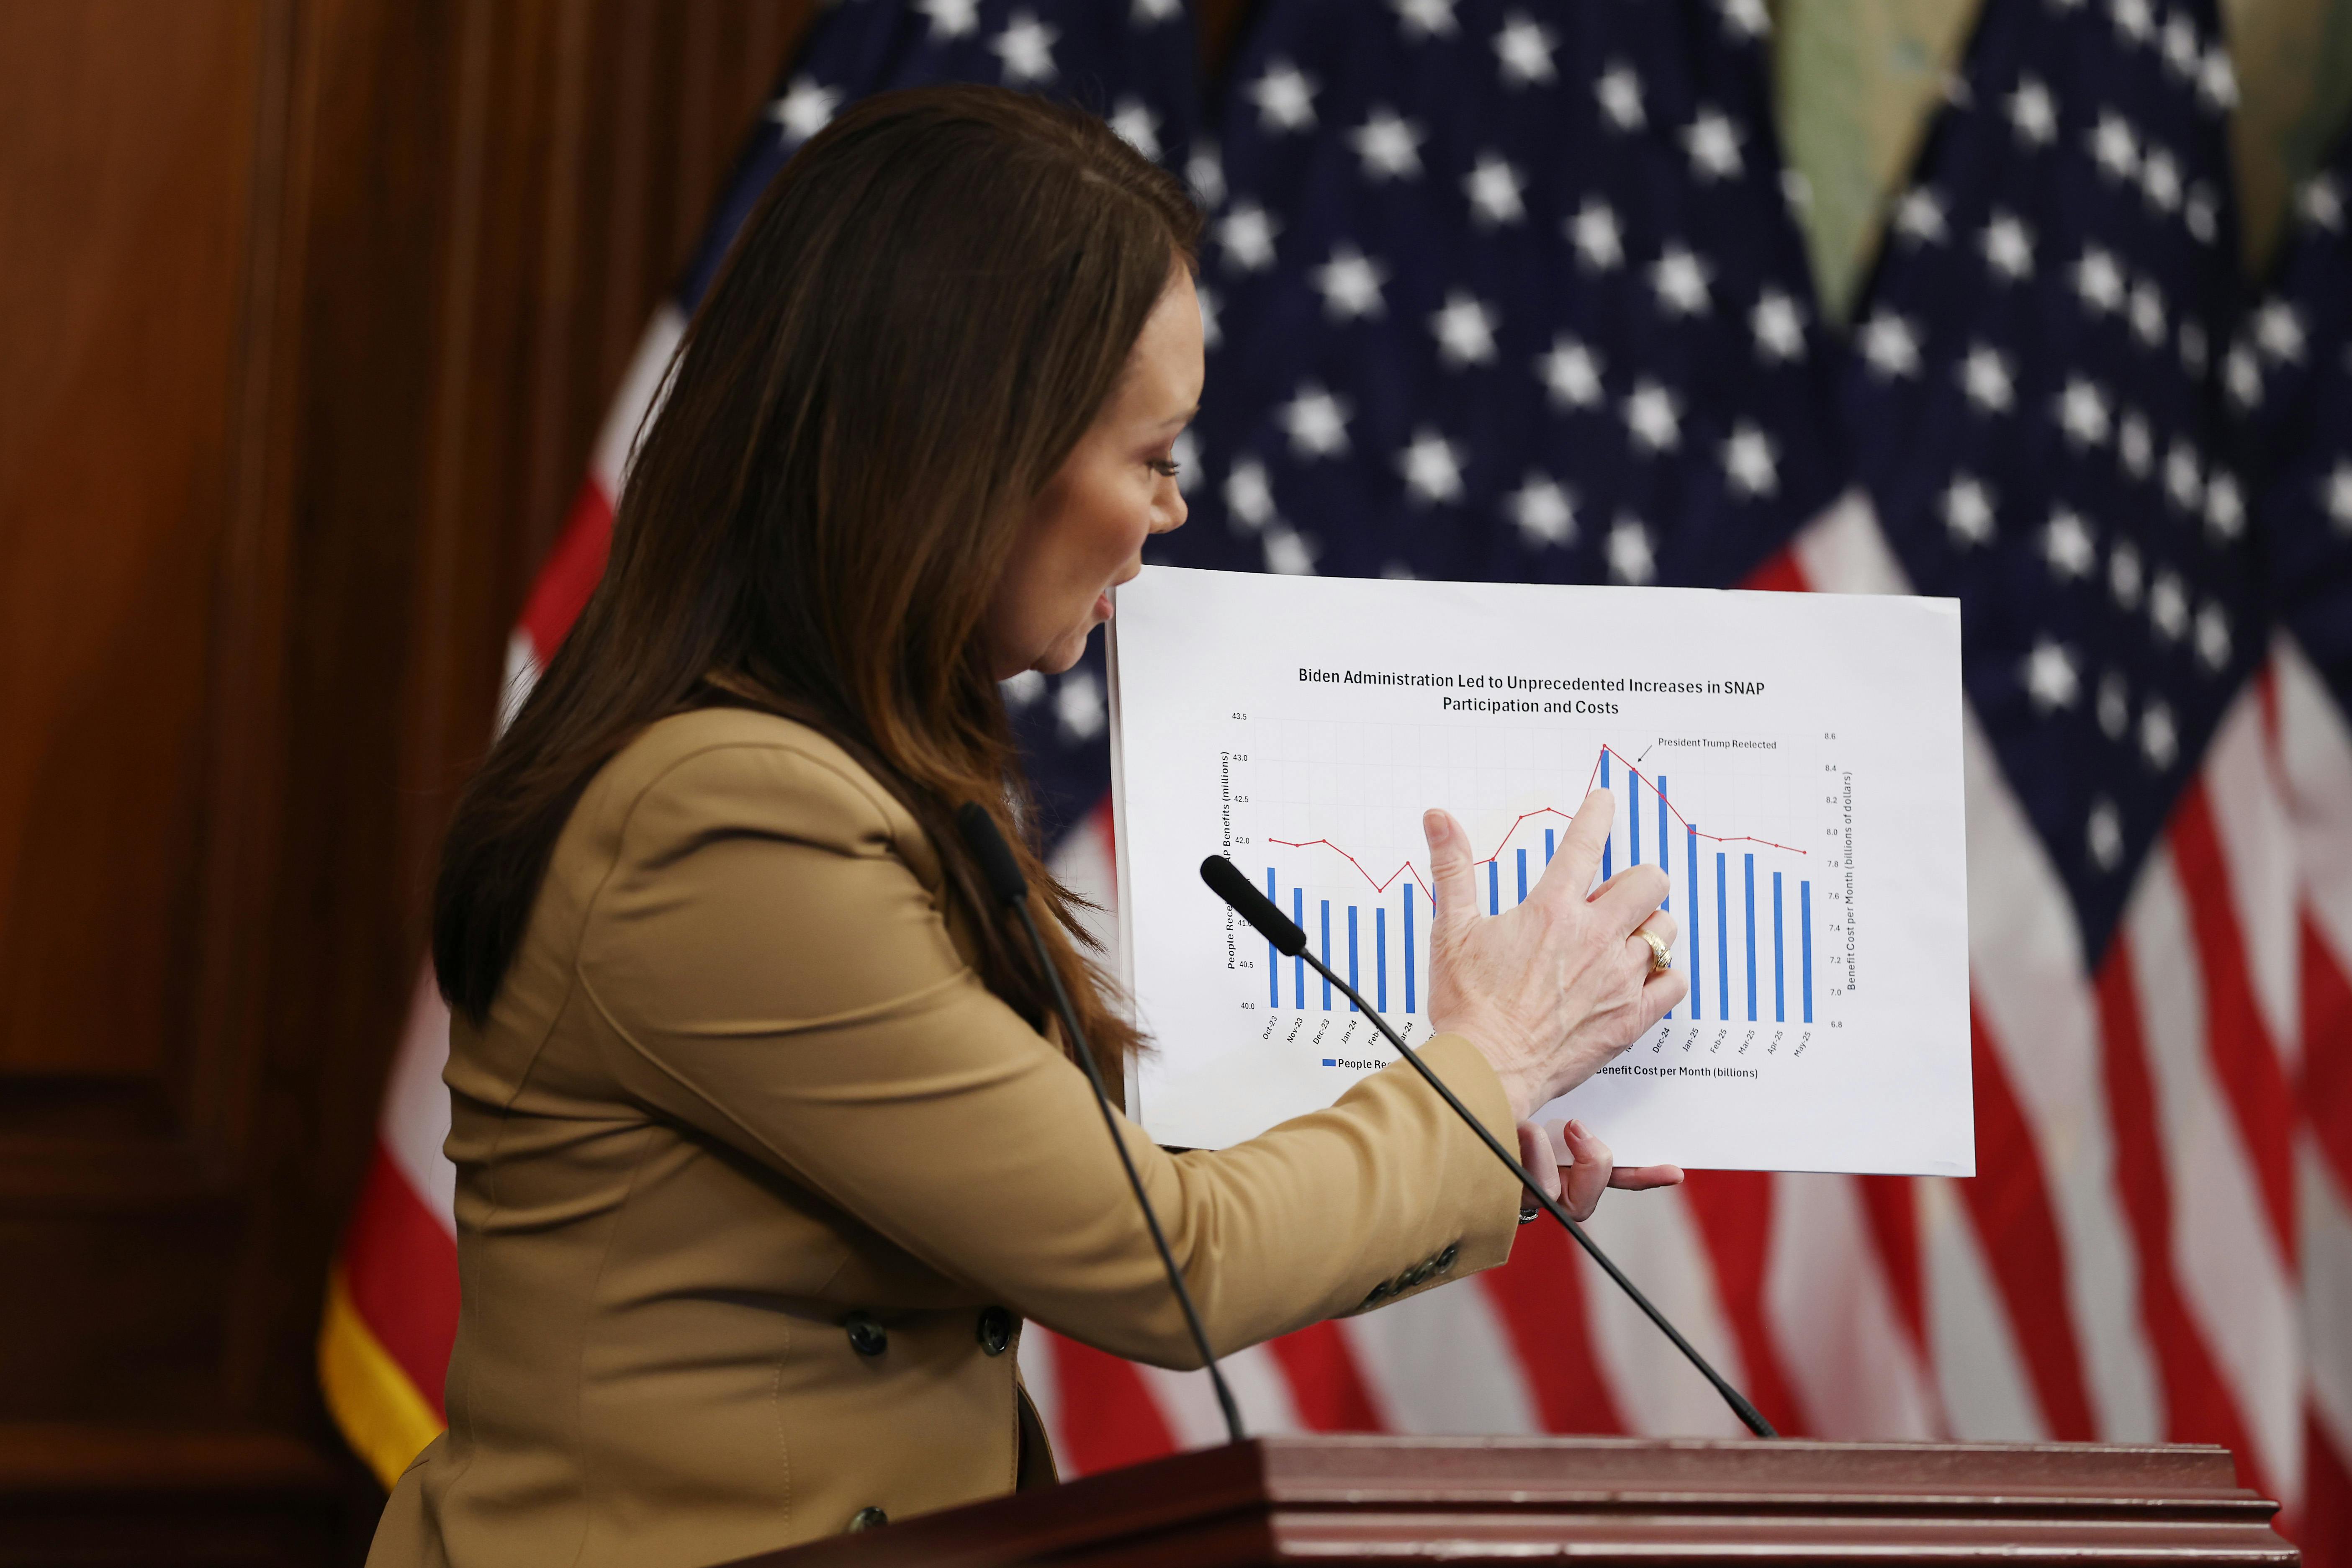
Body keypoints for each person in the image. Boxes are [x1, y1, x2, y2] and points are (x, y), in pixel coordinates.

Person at [368, 84, 1687, 1568]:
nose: (1170, 509)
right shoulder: (725, 820)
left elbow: (1081, 1183)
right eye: (1153, 454)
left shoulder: (844, 770)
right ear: (969, 452)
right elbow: (1163, 1260)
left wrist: (1478, 1120)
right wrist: (1485, 1064)